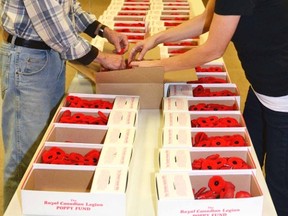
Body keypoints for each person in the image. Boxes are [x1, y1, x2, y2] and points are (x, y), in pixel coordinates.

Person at [129, 0, 288, 215]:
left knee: (279, 186)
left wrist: (155, 66)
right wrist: (157, 38)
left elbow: (213, 49)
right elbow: (209, 19)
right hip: (262, 90)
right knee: (246, 165)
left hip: (282, 98)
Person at [0, 0, 128, 210]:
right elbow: (52, 23)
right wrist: (99, 57)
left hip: (48, 56)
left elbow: (67, 8)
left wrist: (103, 30)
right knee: (23, 159)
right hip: (28, 60)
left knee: (42, 147)